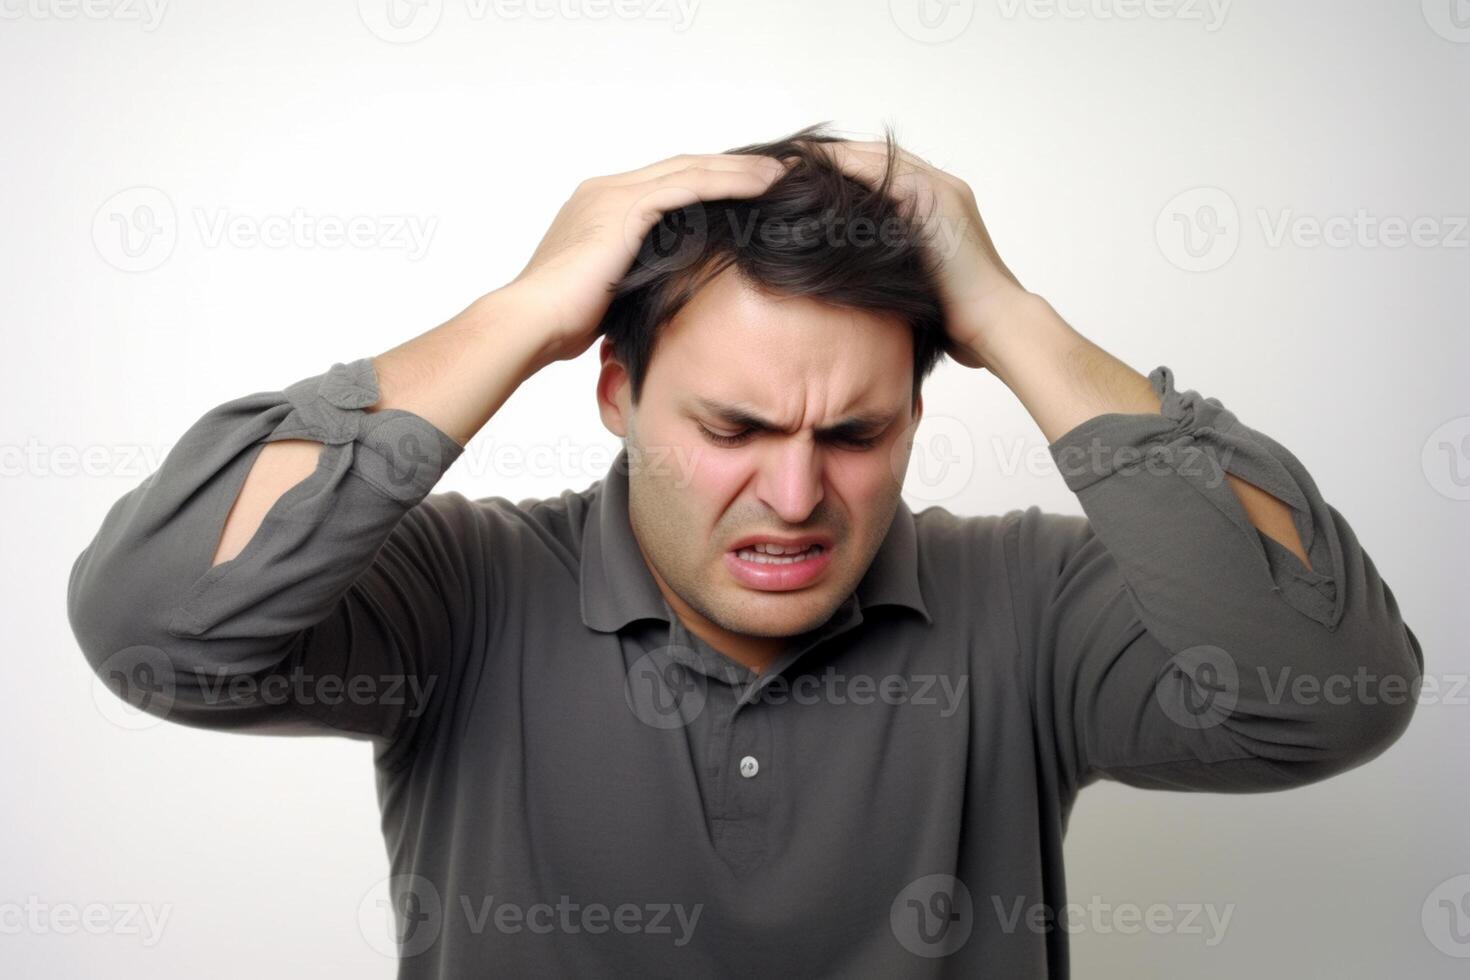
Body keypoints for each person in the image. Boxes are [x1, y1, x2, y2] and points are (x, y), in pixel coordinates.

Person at [67, 122, 1423, 978]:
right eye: (730, 426)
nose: (792, 493)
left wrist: (1012, 317)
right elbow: (154, 628)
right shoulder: (456, 595)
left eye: (854, 433)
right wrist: (522, 309)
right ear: (612, 391)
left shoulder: (1031, 598)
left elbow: (1322, 694)